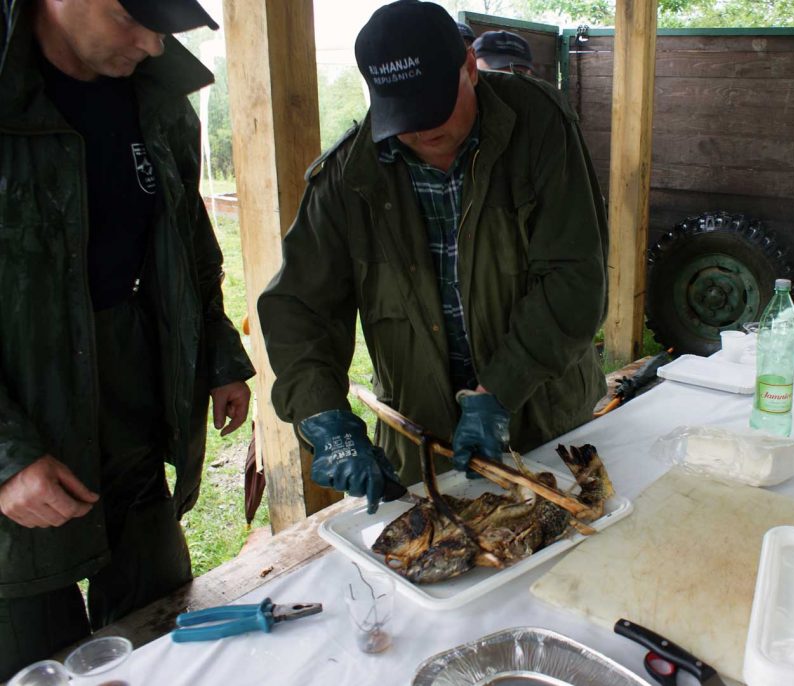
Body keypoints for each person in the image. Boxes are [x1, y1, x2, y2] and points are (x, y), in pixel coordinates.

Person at [259, 0, 608, 515]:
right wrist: (322, 417)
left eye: (435, 106)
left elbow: (574, 279)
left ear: (469, 66)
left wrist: (500, 390)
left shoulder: (539, 123)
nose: (423, 131)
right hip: (422, 442)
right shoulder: (347, 177)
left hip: (547, 420)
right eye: (405, 115)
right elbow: (299, 308)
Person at [0, 0, 254, 677]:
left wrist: (219, 354)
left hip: (128, 403)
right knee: (32, 656)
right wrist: (5, 457)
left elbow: (188, 241)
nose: (153, 43)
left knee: (162, 622)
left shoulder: (158, 98)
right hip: (17, 413)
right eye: (130, 15)